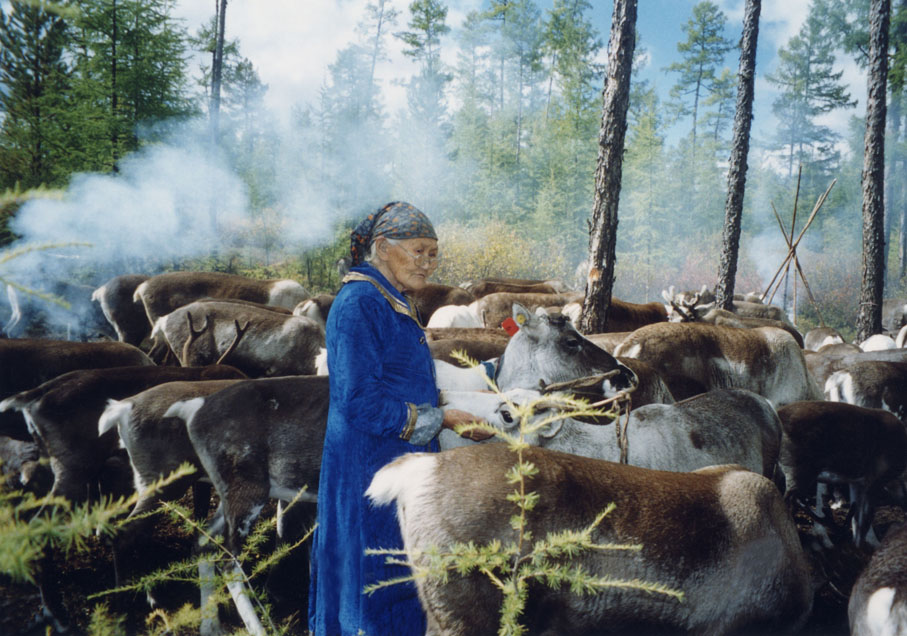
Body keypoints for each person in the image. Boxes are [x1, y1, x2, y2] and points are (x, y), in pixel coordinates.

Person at [308, 201, 491, 636]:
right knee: (375, 573)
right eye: (419, 251)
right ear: (383, 248)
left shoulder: (390, 301)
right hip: (369, 465)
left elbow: (400, 382)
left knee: (399, 570)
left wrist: (451, 411)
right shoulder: (359, 304)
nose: (428, 263)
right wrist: (441, 418)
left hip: (396, 461)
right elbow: (359, 401)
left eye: (434, 253)